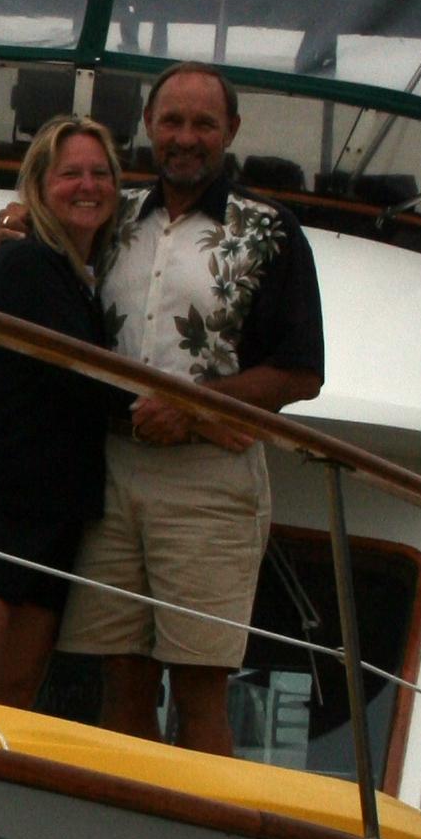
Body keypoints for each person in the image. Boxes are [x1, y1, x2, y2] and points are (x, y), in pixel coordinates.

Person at [48, 63, 323, 754]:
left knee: (201, 694)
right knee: (124, 682)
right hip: (109, 471)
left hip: (209, 479)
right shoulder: (113, 220)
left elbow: (301, 373)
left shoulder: (271, 232)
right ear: (147, 125)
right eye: (172, 121)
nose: (186, 137)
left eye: (204, 123)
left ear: (230, 130)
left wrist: (190, 406)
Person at [0, 115, 123, 703]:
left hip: (55, 513)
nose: (87, 185)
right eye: (70, 174)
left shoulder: (85, 280)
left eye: (99, 172)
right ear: (38, 186)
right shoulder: (24, 265)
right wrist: (187, 409)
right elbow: (83, 377)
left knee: (12, 695)